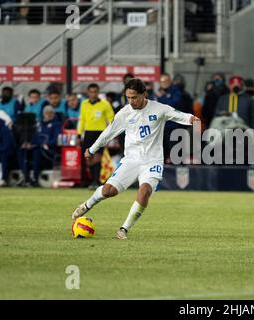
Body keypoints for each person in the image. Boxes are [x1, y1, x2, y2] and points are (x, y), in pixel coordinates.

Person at [71, 78, 200, 240]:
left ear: (144, 94)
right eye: (128, 98)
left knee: (144, 190)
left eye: (134, 98)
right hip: (131, 160)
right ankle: (87, 205)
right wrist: (92, 149)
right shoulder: (125, 113)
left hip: (153, 161)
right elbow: (108, 133)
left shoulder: (158, 108)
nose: (131, 101)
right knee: (108, 191)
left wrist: (191, 119)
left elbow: (177, 115)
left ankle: (123, 229)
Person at [77, 83, 115, 189]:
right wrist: (79, 134)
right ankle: (93, 180)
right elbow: (82, 119)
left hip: (100, 133)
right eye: (91, 92)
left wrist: (111, 134)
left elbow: (112, 119)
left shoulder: (105, 104)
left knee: (97, 157)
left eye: (95, 92)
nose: (93, 94)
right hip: (88, 133)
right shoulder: (84, 104)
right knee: (88, 158)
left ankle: (95, 181)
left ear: (98, 92)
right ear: (88, 92)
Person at [17, 105, 62, 186]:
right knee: (22, 151)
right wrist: (29, 144)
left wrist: (46, 144)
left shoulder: (57, 125)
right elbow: (35, 138)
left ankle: (35, 178)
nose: (48, 114)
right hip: (37, 147)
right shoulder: (40, 125)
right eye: (46, 113)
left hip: (48, 150)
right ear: (43, 114)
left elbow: (55, 140)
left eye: (51, 113)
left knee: (36, 151)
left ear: (54, 114)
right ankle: (26, 177)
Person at [0, 118, 15, 186]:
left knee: (4, 156)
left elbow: (7, 145)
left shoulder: (4, 129)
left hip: (7, 152)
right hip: (1, 150)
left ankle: (3, 179)